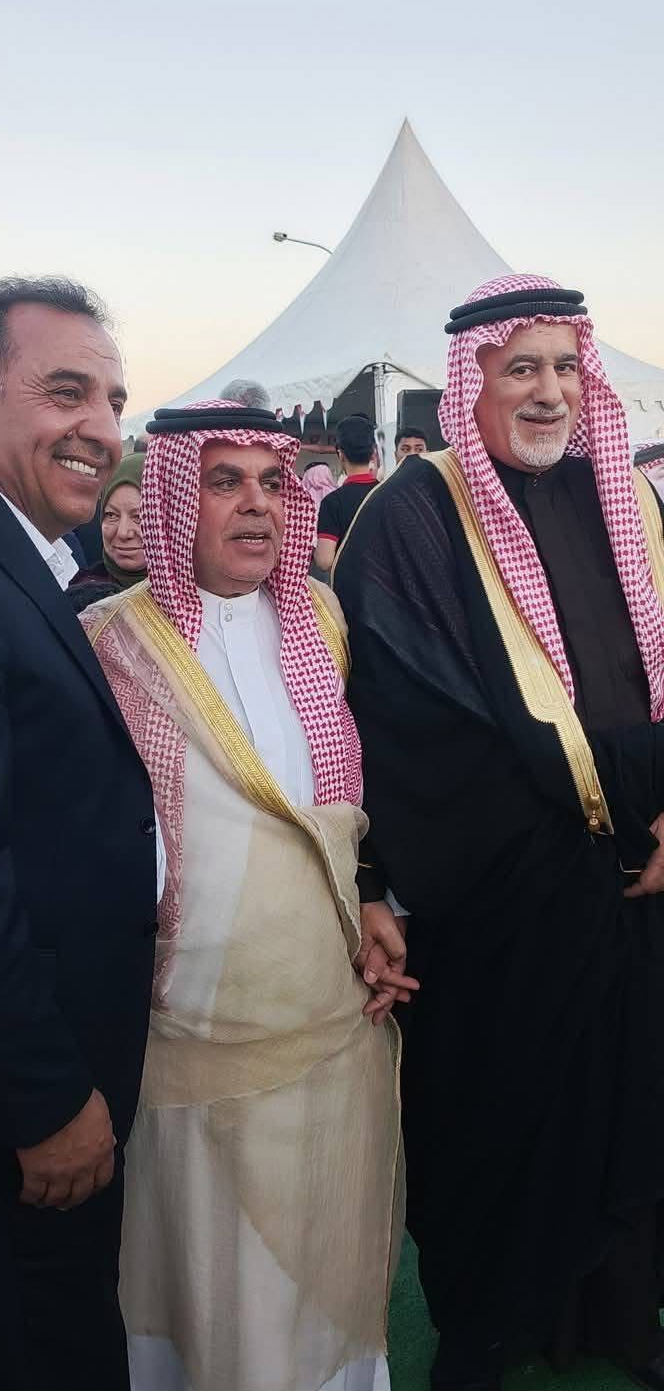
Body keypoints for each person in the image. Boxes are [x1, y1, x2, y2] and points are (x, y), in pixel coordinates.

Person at [333, 274, 664, 1391]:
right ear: (469, 381)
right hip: (500, 899)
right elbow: (418, 716)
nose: (549, 391)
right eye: (521, 367)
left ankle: (619, 1317)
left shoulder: (629, 500)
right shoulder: (413, 515)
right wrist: (608, 805)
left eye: (566, 366)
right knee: (501, 1123)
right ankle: (484, 1329)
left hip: (636, 883)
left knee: (627, 1101)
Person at [81, 400, 408, 1391]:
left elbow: (340, 807)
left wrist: (373, 903)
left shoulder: (321, 618)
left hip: (327, 1015)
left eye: (272, 482)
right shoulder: (109, 641)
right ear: (176, 498)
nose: (257, 505)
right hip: (186, 1036)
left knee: (319, 1270)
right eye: (223, 482)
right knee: (209, 1289)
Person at [0, 277, 160, 1391]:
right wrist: (41, 1099)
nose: (102, 430)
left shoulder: (2, 546)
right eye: (66, 392)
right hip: (8, 1120)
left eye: (114, 402)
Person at [72, 453, 147, 591]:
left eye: (139, 517)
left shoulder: (188, 593)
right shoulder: (84, 595)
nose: (123, 533)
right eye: (111, 515)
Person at [315, 414, 377, 572]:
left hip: (350, 585)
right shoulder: (391, 493)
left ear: (341, 454)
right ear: (373, 453)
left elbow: (324, 561)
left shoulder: (332, 502)